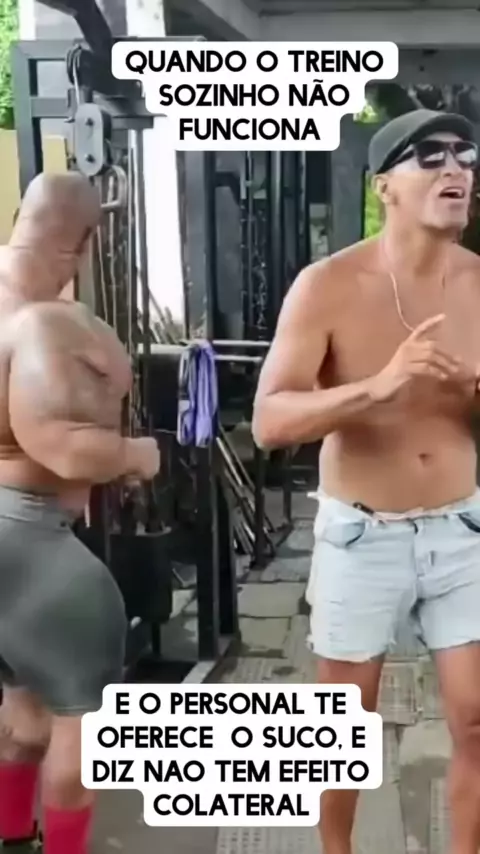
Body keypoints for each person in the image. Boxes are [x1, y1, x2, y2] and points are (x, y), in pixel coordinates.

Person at [253, 108, 480, 854]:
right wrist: (376, 388)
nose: (456, 168)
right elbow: (270, 421)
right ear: (385, 187)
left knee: (475, 718)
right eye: (431, 157)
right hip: (361, 533)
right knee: (343, 729)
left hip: (462, 529)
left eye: (465, 154)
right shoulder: (327, 285)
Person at [0, 172, 160, 854]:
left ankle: (13, 838)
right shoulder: (45, 322)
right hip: (34, 534)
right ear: (88, 240)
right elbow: (64, 448)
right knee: (84, 728)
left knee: (22, 713)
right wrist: (137, 454)